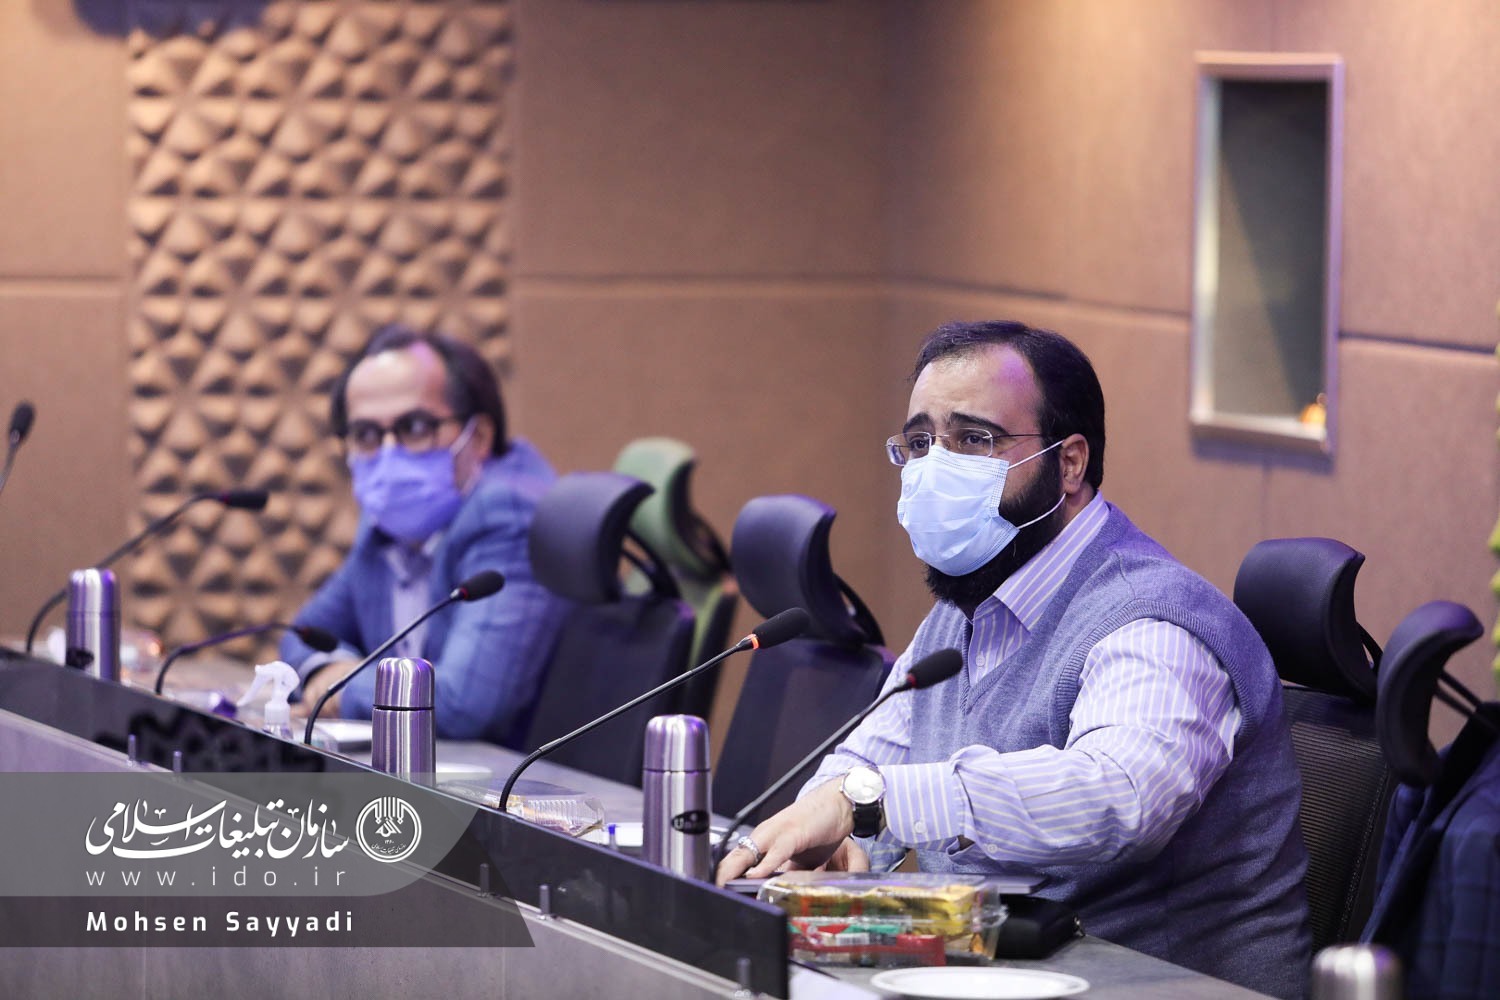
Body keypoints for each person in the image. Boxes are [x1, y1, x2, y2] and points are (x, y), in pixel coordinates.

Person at [716, 321, 1311, 998]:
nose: (934, 469)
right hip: (999, 972)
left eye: (974, 439)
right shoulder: (963, 611)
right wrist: (837, 847)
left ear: (1070, 463)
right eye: (920, 443)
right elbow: (865, 765)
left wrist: (871, 803)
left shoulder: (1153, 620)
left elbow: (1119, 795)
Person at [280, 324, 569, 746]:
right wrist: (327, 669)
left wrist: (339, 687)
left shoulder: (508, 514)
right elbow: (302, 635)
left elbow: (462, 704)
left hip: (514, 781)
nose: (388, 455)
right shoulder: (386, 522)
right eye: (366, 434)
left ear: (479, 437)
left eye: (415, 427)